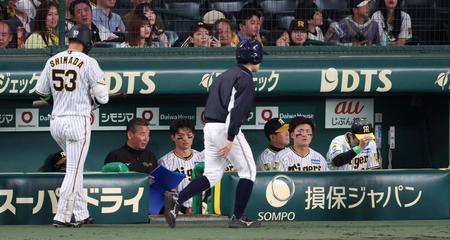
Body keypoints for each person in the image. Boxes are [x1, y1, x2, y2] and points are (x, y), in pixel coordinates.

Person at [164, 39, 265, 228]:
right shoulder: (245, 77)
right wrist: (230, 138)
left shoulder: (226, 74)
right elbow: (236, 111)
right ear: (255, 56)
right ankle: (238, 217)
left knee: (212, 174)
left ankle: (179, 198)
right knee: (249, 171)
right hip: (225, 128)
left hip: (209, 127)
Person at [34, 24, 109, 227]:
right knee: (74, 170)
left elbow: (41, 93)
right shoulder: (89, 62)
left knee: (76, 169)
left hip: (56, 123)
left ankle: (81, 213)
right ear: (87, 41)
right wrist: (93, 99)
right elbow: (103, 98)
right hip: (77, 121)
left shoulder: (52, 60)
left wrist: (59, 99)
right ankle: (62, 216)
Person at [158, 119, 204, 215]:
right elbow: (163, 193)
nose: (185, 139)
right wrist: (184, 209)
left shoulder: (203, 158)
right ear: (173, 137)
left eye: (189, 135)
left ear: (193, 136)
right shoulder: (164, 162)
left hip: (203, 209)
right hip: (177, 211)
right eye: (181, 136)